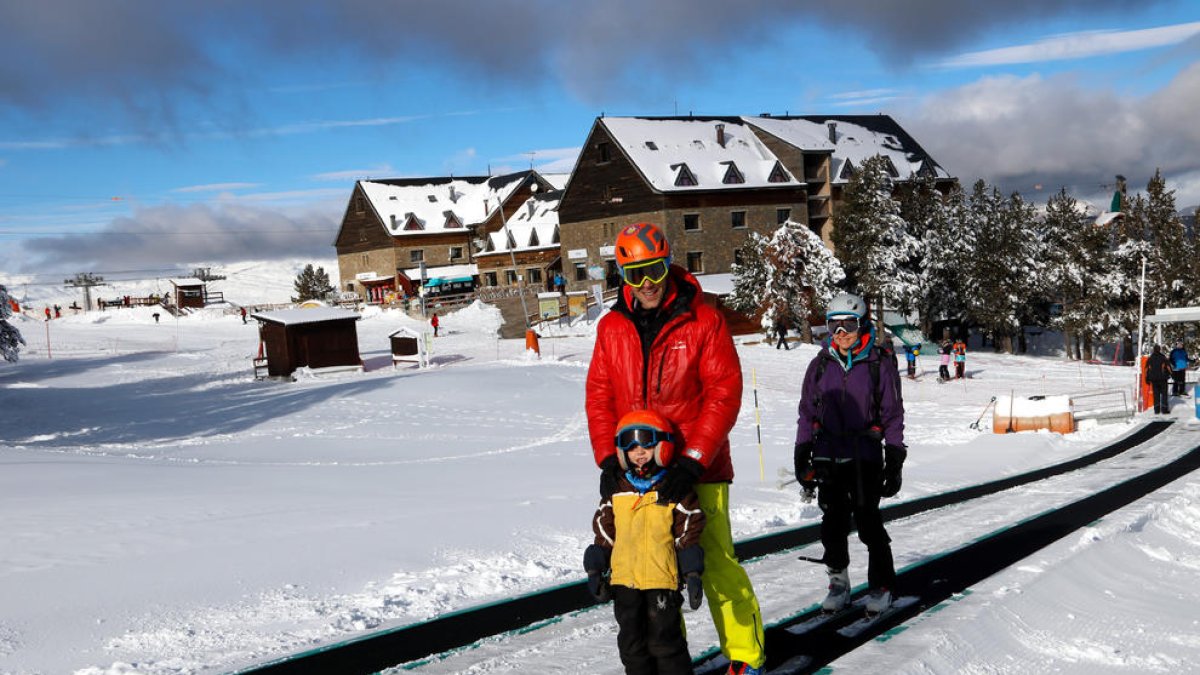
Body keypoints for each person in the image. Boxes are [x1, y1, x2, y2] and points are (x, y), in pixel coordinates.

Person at [586, 222, 765, 675]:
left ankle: (746, 656)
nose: (647, 285)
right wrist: (610, 460)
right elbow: (599, 396)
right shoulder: (611, 328)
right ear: (622, 277)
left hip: (697, 469)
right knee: (655, 575)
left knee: (715, 563)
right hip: (640, 472)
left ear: (669, 264)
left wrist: (692, 460)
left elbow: (724, 393)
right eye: (635, 275)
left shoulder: (703, 319)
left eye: (655, 271)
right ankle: (672, 660)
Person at [794, 292, 906, 616]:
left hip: (864, 456)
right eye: (834, 325)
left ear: (862, 324)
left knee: (869, 523)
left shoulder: (878, 364)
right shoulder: (819, 366)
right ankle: (839, 582)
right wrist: (802, 452)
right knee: (832, 525)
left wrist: (895, 458)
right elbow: (806, 412)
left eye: (849, 324)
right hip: (828, 455)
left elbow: (892, 414)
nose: (841, 333)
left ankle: (881, 585)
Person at [585, 409, 706, 675]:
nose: (639, 451)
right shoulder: (616, 489)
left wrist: (693, 572)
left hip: (661, 579)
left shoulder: (673, 488)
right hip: (624, 581)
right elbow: (605, 532)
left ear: (661, 446)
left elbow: (688, 531)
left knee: (665, 641)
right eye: (631, 446)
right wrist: (595, 569)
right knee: (631, 643)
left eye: (646, 445)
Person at [1146, 344, 1172, 414]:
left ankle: (1156, 410)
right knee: (1164, 394)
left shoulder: (1150, 358)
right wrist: (1171, 374)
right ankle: (1164, 409)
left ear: (1154, 350)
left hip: (1154, 380)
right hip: (1163, 379)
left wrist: (1147, 379)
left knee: (1156, 395)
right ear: (1159, 349)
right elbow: (1169, 367)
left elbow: (1147, 369)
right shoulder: (1163, 357)